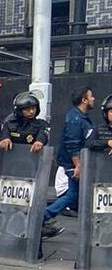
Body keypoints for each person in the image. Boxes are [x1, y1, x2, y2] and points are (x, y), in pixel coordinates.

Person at [0, 91, 55, 236]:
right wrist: (4, 139)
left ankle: (37, 229)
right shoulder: (9, 124)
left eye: (33, 108)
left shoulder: (41, 124)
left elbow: (44, 134)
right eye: (27, 109)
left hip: (32, 170)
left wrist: (39, 141)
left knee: (33, 201)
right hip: (10, 169)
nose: (31, 111)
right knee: (9, 200)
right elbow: (2, 136)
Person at [44, 86, 95, 224]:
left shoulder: (80, 117)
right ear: (84, 100)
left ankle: (43, 217)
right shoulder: (75, 119)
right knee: (73, 195)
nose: (93, 99)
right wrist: (78, 165)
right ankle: (43, 216)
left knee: (74, 194)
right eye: (91, 96)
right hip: (74, 164)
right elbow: (72, 144)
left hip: (77, 163)